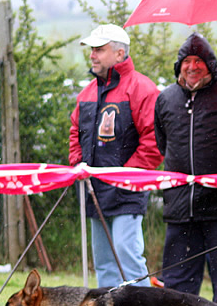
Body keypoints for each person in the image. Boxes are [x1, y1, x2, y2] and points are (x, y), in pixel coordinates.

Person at [154, 33, 217, 306]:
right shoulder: (166, 99)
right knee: (177, 287)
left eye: (199, 61)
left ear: (210, 64)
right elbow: (165, 144)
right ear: (179, 66)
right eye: (187, 61)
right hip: (180, 206)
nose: (192, 66)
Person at [69, 24, 161, 288]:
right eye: (91, 50)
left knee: (127, 256)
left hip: (127, 191)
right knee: (104, 263)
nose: (92, 55)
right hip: (93, 189)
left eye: (99, 49)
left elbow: (154, 140)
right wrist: (77, 164)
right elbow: (75, 131)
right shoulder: (87, 93)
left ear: (120, 54)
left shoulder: (142, 89)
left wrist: (126, 176)